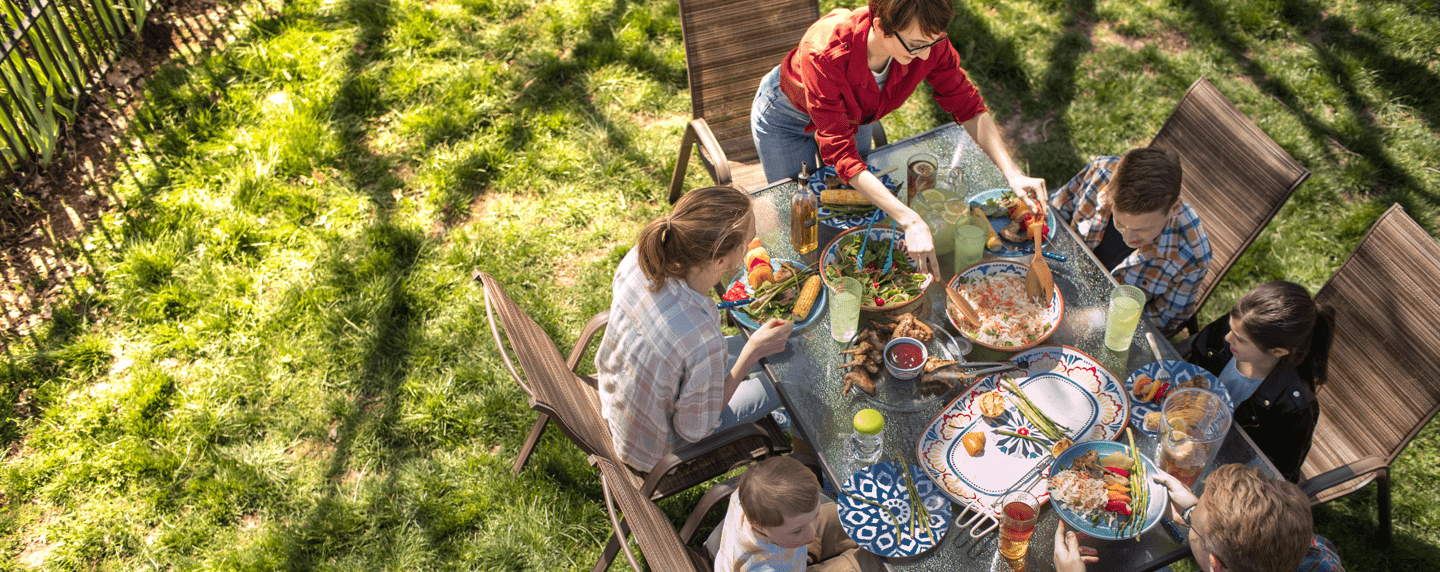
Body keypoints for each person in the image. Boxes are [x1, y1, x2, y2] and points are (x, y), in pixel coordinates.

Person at [750, 0, 1046, 276]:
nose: (928, 55)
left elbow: (968, 105)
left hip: (855, 114)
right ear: (880, 25)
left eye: (935, 41)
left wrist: (1013, 173)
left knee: (857, 210)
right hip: (787, 119)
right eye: (917, 45)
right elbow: (843, 157)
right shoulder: (823, 51)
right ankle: (808, 273)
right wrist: (910, 219)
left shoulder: (927, 40)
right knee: (800, 218)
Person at [595, 186, 794, 472]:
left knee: (754, 346)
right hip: (658, 449)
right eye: (749, 239)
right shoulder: (701, 335)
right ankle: (785, 418)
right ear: (722, 261)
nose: (754, 239)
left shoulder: (641, 256)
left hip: (619, 397)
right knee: (788, 380)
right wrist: (750, 354)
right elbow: (695, 430)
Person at [1178, 281, 1335, 482]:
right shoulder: (1236, 330)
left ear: (1277, 352)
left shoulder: (1295, 408)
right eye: (1231, 328)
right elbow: (1195, 365)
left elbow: (1275, 475)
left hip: (1223, 474)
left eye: (1241, 340)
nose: (1227, 338)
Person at [1056, 463, 1346, 572]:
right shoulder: (1310, 550)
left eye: (1195, 526)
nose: (1190, 516)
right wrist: (1196, 510)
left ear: (1216, 564)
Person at [1047, 147, 1211, 334]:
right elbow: (1054, 214)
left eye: (1143, 229)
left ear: (1174, 208)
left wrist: (1101, 316)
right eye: (1119, 222)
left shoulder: (1193, 254)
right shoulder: (1101, 172)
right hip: (1059, 276)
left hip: (1106, 323)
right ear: (1109, 193)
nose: (1128, 237)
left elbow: (1164, 321)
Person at [714, 456, 876, 572]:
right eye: (798, 530)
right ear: (759, 526)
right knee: (862, 565)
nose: (811, 533)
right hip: (778, 563)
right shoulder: (765, 568)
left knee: (853, 514)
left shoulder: (745, 496)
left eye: (815, 515)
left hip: (782, 548)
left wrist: (799, 540)